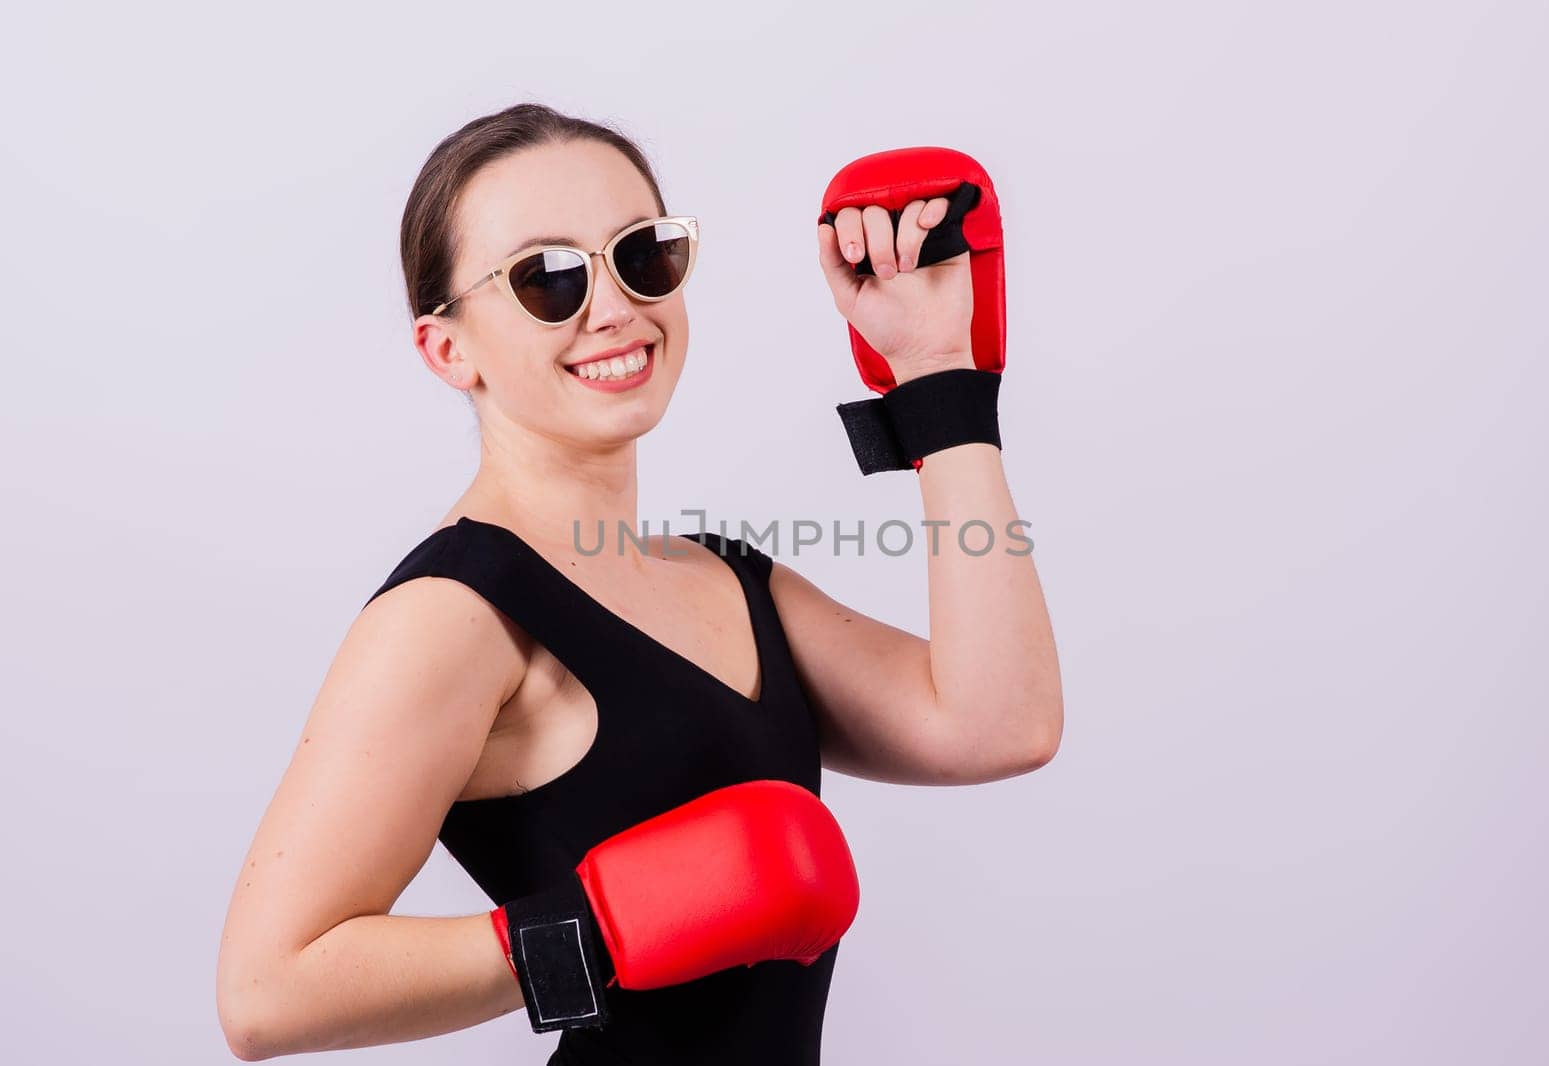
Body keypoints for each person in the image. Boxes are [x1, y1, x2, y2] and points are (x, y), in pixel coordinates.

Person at [215, 102, 1063, 1064]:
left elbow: (1003, 723)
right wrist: (604, 926)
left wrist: (937, 380)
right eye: (549, 279)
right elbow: (264, 990)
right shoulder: (454, 612)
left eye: (640, 255)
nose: (615, 307)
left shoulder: (730, 576)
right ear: (449, 349)